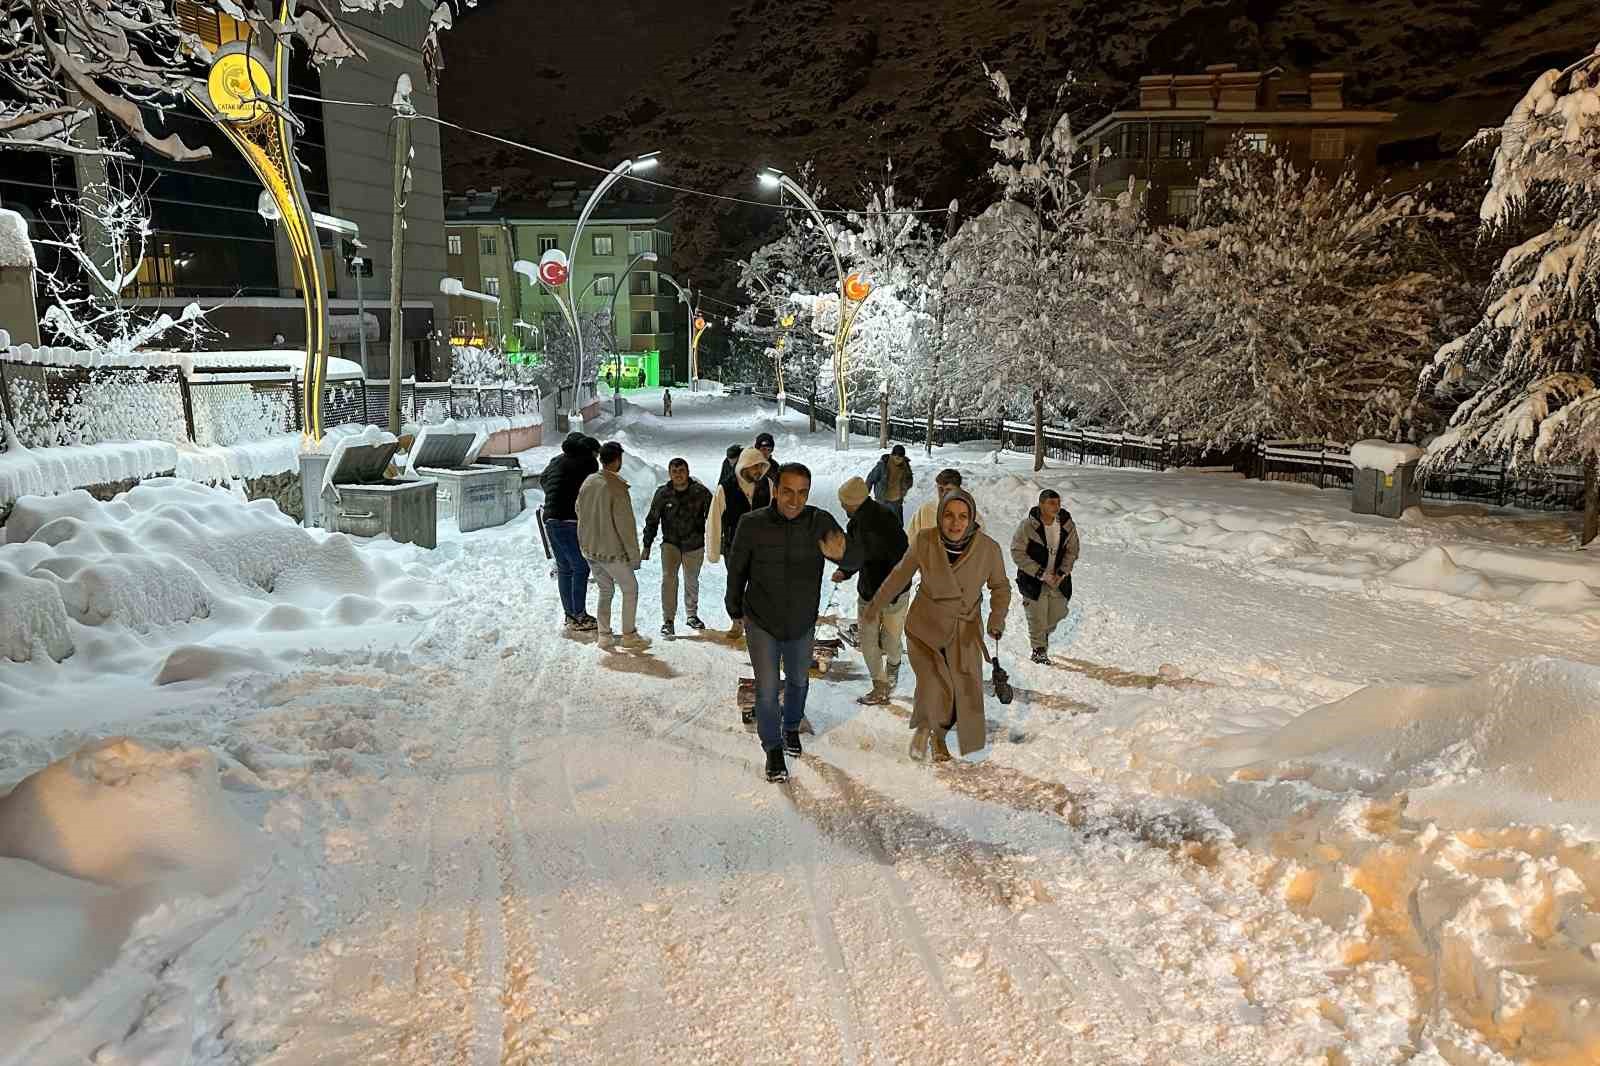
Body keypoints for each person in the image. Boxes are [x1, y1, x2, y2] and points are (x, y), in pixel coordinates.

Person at [726, 462, 861, 783]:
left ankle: (790, 728)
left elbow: (853, 557)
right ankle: (772, 747)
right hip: (761, 619)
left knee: (799, 681)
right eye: (787, 491)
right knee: (769, 688)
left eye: (802, 493)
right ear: (775, 489)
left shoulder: (818, 522)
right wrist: (734, 608)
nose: (794, 500)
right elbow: (737, 569)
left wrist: (844, 556)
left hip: (801, 621)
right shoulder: (752, 523)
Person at [863, 488, 1011, 763]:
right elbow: (900, 575)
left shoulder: (988, 549)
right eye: (949, 516)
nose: (955, 523)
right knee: (934, 684)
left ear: (972, 518)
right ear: (940, 516)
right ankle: (935, 736)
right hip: (926, 627)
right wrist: (875, 605)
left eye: (963, 517)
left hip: (963, 629)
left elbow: (1001, 587)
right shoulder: (925, 541)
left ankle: (931, 726)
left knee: (960, 690)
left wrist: (996, 618)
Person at [833, 476, 910, 705]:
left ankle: (894, 665)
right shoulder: (858, 522)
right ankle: (880, 685)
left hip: (893, 593)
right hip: (870, 592)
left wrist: (846, 569)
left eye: (843, 503)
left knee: (890, 641)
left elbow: (900, 557)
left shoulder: (882, 521)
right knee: (868, 642)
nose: (842, 507)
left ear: (853, 502)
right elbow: (857, 556)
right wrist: (845, 572)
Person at [576, 441, 651, 652]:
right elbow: (625, 526)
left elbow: (578, 510)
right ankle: (629, 635)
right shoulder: (617, 487)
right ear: (618, 460)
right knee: (630, 589)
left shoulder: (589, 481)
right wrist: (633, 557)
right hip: (611, 551)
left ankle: (604, 636)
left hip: (590, 548)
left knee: (605, 590)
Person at [706, 448, 774, 640]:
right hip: (734, 547)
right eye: (755, 467)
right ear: (744, 467)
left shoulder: (767, 485)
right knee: (735, 586)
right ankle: (737, 621)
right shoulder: (725, 488)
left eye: (761, 467)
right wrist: (713, 551)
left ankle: (759, 622)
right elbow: (714, 520)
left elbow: (775, 516)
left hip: (761, 548)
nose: (758, 471)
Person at [642, 457, 713, 636]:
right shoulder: (663, 494)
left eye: (681, 471)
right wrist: (647, 544)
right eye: (674, 471)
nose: (678, 475)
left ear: (687, 472)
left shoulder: (701, 492)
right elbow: (652, 520)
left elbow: (713, 517)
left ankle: (691, 615)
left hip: (694, 544)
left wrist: (714, 541)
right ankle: (668, 619)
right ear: (670, 474)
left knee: (691, 581)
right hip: (670, 544)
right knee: (669, 581)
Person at [1010, 488, 1080, 664]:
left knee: (1059, 612)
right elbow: (1017, 552)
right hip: (1033, 579)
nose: (1056, 507)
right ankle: (1039, 650)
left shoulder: (1066, 524)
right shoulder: (1028, 526)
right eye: (1051, 503)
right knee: (1037, 615)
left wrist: (1062, 572)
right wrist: (1040, 573)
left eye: (1058, 503)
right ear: (1041, 505)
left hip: (1058, 579)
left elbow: (1073, 550)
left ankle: (1042, 635)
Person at [540, 432, 600, 631]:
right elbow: (591, 489)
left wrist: (556, 496)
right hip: (568, 519)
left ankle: (570, 614)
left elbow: (543, 480)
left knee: (565, 567)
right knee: (581, 567)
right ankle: (579, 615)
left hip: (550, 518)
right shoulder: (588, 463)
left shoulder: (556, 461)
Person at [906, 467, 965, 539]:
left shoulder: (967, 512)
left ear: (958, 490)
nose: (943, 494)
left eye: (948, 490)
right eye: (941, 489)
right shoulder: (925, 510)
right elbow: (911, 539)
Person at [865, 444, 915, 523]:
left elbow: (910, 481)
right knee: (879, 523)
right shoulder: (883, 466)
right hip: (882, 500)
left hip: (896, 502)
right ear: (892, 455)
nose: (898, 460)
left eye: (900, 458)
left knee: (897, 525)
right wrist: (865, 494)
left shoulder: (906, 467)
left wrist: (905, 486)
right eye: (896, 458)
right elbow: (871, 479)